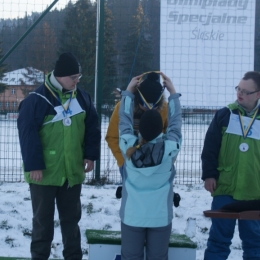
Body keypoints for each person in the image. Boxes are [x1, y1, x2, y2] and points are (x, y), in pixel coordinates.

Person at [17, 52, 101, 260]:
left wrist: (90, 155)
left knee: (71, 222)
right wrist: (33, 164)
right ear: (60, 76)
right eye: (73, 78)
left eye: (78, 78)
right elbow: (27, 133)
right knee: (42, 223)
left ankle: (73, 257)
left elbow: (93, 126)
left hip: (71, 173)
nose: (77, 81)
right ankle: (39, 256)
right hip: (43, 175)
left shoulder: (81, 97)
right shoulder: (37, 100)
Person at [118, 72, 182, 259]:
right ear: (161, 127)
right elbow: (175, 126)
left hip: (132, 216)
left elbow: (124, 121)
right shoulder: (171, 148)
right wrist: (173, 95)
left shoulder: (127, 146)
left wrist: (128, 94)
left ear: (139, 130)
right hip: (160, 217)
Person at [201, 71, 260, 260]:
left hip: (255, 191)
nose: (239, 94)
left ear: (258, 94)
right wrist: (209, 174)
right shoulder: (225, 114)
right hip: (225, 187)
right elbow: (210, 148)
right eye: (238, 89)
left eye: (246, 91)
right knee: (218, 240)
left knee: (255, 242)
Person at [105, 71, 168, 176]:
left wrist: (163, 160)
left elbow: (171, 136)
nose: (149, 109)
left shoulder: (165, 109)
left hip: (157, 165)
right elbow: (112, 137)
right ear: (138, 98)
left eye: (154, 106)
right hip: (129, 164)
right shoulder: (122, 108)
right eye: (145, 104)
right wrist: (123, 161)